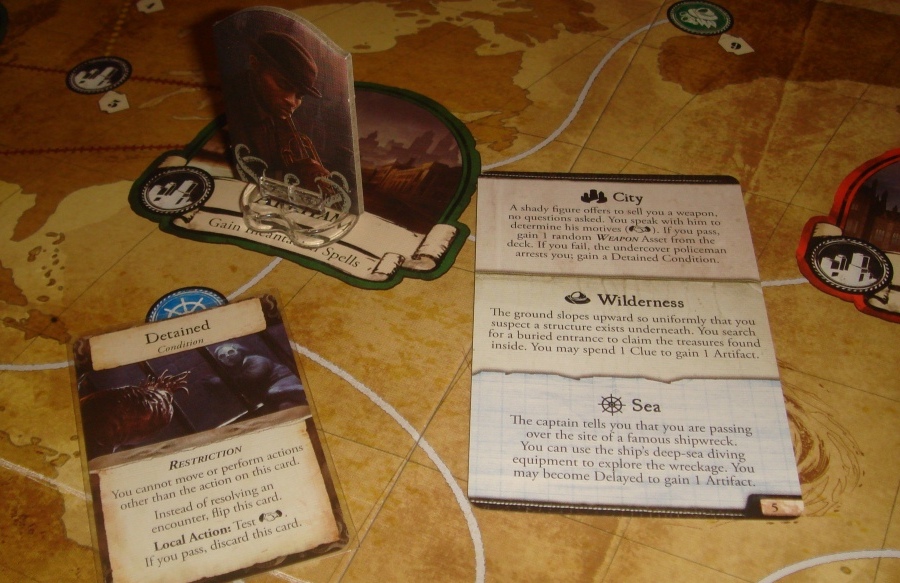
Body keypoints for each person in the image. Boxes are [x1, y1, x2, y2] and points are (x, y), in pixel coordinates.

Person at [228, 31, 331, 190]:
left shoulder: (283, 120)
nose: (292, 102)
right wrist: (289, 176)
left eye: (300, 95)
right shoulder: (231, 105)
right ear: (255, 64)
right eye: (282, 85)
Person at [211, 342, 306, 411]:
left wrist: (223, 381)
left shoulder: (255, 359)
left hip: (286, 379)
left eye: (231, 352)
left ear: (239, 351)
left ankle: (308, 390)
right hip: (275, 391)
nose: (227, 356)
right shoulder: (238, 370)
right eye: (222, 356)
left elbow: (253, 377)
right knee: (285, 406)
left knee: (273, 391)